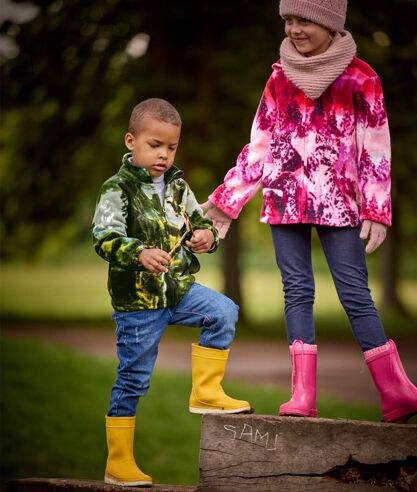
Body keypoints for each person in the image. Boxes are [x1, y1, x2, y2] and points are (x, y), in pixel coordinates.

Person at [202, 0, 417, 424]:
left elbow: (376, 150)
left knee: (355, 292)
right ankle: (302, 394)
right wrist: (226, 202)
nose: (294, 29)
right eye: (288, 20)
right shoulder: (278, 79)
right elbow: (260, 148)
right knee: (297, 291)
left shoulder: (362, 79)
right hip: (285, 198)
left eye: (303, 19)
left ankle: (395, 391)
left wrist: (376, 208)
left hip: (340, 202)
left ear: (329, 22)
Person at [92, 98, 251, 487]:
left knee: (224, 311)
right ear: (131, 141)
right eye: (154, 145)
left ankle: (206, 392)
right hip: (139, 304)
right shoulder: (118, 189)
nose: (163, 154)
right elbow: (103, 237)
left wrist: (206, 236)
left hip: (179, 291)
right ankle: (119, 462)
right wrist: (139, 252)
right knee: (133, 379)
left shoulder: (178, 186)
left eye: (171, 147)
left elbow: (203, 223)